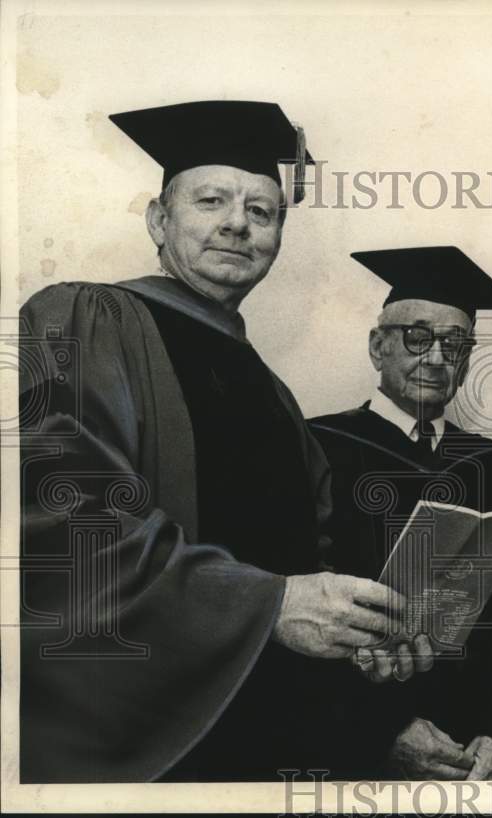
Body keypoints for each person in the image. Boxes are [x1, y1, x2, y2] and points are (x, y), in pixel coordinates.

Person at [18, 101, 431, 784]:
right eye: (211, 200)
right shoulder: (87, 318)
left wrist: (359, 639)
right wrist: (271, 605)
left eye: (263, 211)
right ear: (159, 219)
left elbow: (307, 559)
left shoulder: (274, 393)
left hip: (266, 738)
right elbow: (68, 522)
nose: (238, 222)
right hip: (141, 740)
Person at [309, 246, 492, 780]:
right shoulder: (315, 445)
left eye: (455, 343)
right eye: (417, 337)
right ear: (378, 346)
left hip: (476, 747)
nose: (436, 357)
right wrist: (380, 733)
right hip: (356, 737)